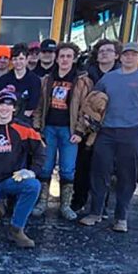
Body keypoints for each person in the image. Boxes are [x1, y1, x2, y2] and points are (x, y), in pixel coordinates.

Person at [78, 42, 138, 233]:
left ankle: (121, 218)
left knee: (126, 176)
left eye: (133, 54)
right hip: (106, 132)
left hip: (131, 133)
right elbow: (94, 99)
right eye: (126, 54)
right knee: (99, 173)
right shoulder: (109, 79)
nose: (129, 58)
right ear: (120, 57)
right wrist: (92, 119)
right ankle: (95, 213)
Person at [31, 42, 93, 220]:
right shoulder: (47, 80)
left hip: (69, 130)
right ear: (56, 59)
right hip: (48, 128)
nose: (65, 60)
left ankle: (65, 205)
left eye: (68, 56)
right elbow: (40, 106)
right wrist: (37, 128)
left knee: (67, 169)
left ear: (73, 59)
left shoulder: (82, 81)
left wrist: (80, 131)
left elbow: (85, 108)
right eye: (62, 56)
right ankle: (42, 202)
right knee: (45, 167)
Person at [0, 87, 45, 248]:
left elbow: (40, 152)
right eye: (1, 104)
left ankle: (16, 228)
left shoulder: (24, 129)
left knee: (33, 185)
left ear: (14, 108)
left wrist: (32, 171)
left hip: (11, 179)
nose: (4, 107)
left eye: (9, 104)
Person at [72, 39, 121, 212]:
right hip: (85, 126)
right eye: (101, 51)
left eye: (109, 50)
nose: (104, 53)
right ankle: (78, 200)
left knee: (104, 168)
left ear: (116, 55)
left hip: (110, 128)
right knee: (82, 166)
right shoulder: (86, 76)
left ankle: (101, 205)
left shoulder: (122, 76)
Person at [0, 43, 41, 121]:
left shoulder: (35, 80)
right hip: (5, 119)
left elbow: (32, 106)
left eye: (21, 59)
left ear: (27, 59)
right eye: (15, 59)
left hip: (25, 120)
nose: (18, 62)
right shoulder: (3, 80)